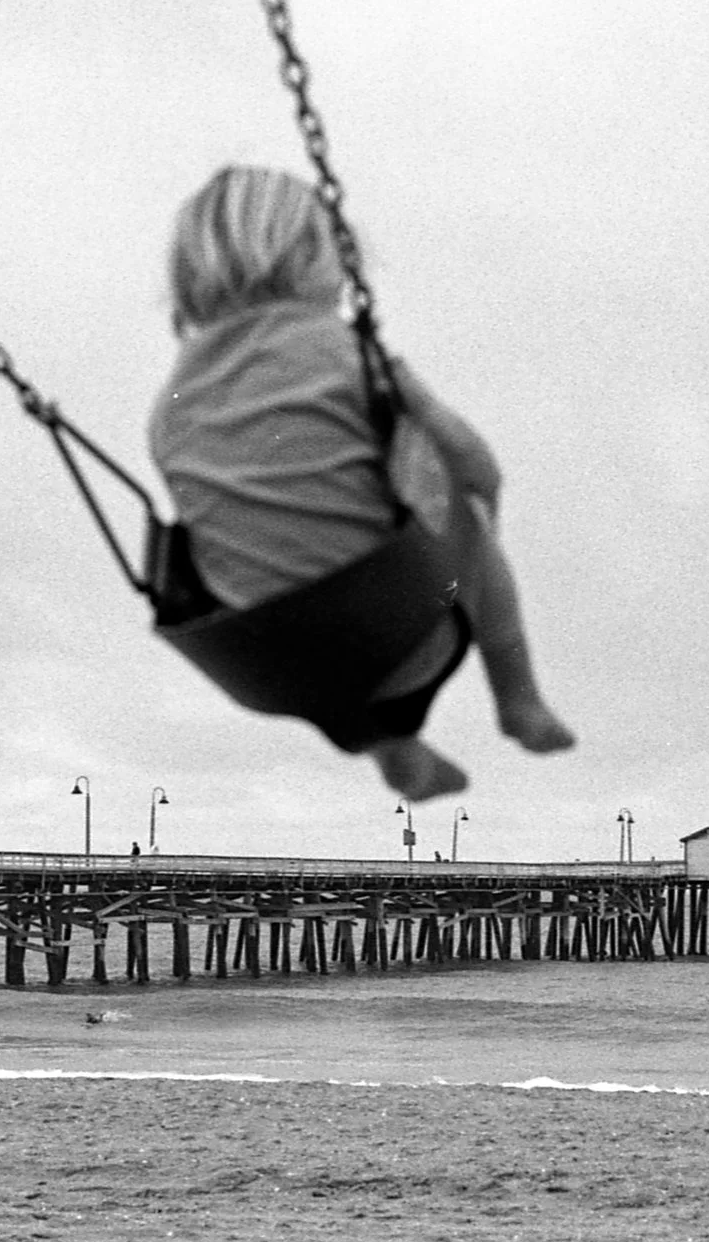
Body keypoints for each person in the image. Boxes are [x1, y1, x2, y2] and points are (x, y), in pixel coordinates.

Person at [151, 166, 575, 800]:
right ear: (316, 256)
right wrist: (450, 468)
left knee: (296, 586)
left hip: (271, 670)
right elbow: (477, 466)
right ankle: (520, 702)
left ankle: (393, 749)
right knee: (470, 517)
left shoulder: (168, 410)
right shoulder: (350, 356)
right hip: (402, 640)